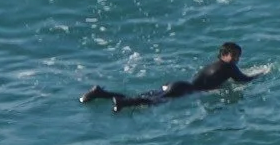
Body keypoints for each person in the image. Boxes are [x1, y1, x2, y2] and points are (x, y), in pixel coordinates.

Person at [81, 43, 256, 111]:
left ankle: (100, 93)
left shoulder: (215, 65)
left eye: (238, 56)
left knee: (143, 97)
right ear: (224, 55)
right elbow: (243, 80)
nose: (237, 59)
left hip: (178, 85)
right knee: (149, 102)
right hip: (184, 89)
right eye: (234, 56)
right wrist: (262, 74)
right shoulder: (229, 67)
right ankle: (122, 103)